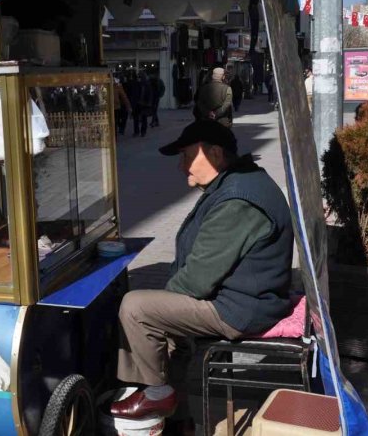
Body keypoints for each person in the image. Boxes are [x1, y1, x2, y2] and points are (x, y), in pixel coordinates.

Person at [110, 121, 294, 419]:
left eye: (187, 157)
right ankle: (177, 412)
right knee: (162, 322)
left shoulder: (238, 199)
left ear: (216, 154)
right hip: (242, 298)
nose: (182, 167)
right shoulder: (236, 184)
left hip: (241, 309)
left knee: (135, 307)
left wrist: (162, 305)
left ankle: (157, 395)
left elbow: (196, 281)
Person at [133, 71, 154, 137]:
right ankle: (138, 131)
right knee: (137, 118)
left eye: (140, 77)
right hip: (138, 103)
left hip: (144, 104)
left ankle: (142, 131)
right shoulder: (137, 84)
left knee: (143, 118)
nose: (139, 78)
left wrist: (149, 103)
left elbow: (150, 94)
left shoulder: (147, 85)